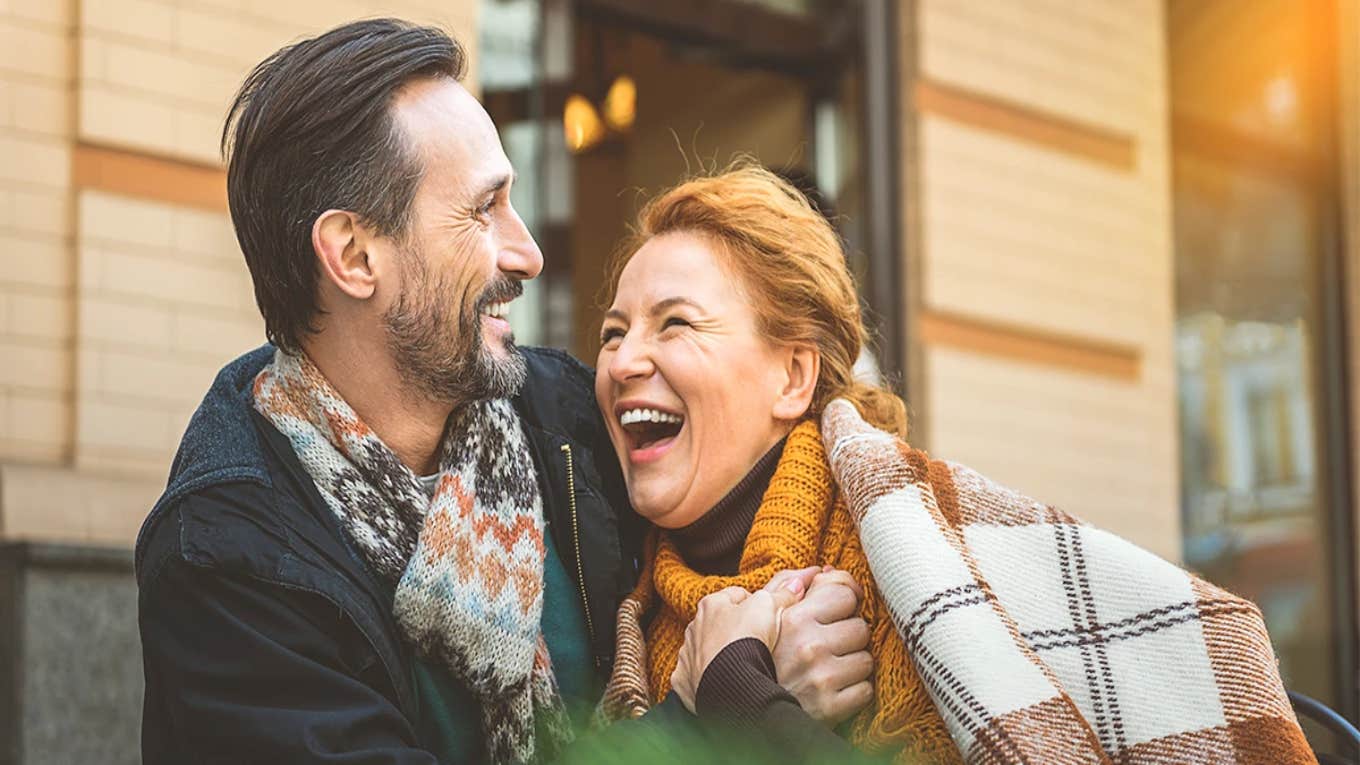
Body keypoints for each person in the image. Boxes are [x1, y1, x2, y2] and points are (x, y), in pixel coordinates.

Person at [135, 20, 873, 764]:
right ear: (355, 255)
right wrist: (714, 718)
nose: (528, 251)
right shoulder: (229, 561)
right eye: (483, 210)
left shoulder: (568, 421)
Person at [594, 164, 1318, 764]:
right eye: (612, 332)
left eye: (676, 322)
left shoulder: (942, 558)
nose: (623, 360)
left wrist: (737, 695)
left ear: (793, 376)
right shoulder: (620, 609)